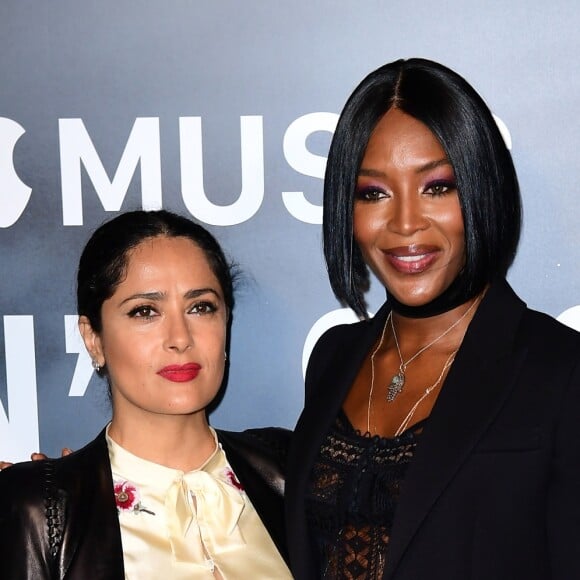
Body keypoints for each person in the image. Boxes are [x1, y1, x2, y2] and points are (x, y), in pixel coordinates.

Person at [285, 58, 580, 579]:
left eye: (437, 187)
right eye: (373, 192)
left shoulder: (560, 370)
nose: (404, 223)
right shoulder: (333, 358)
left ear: (480, 187)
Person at [0, 210, 292, 579]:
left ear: (226, 321)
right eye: (145, 311)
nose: (180, 338)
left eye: (200, 307)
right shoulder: (42, 510)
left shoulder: (292, 472)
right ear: (93, 338)